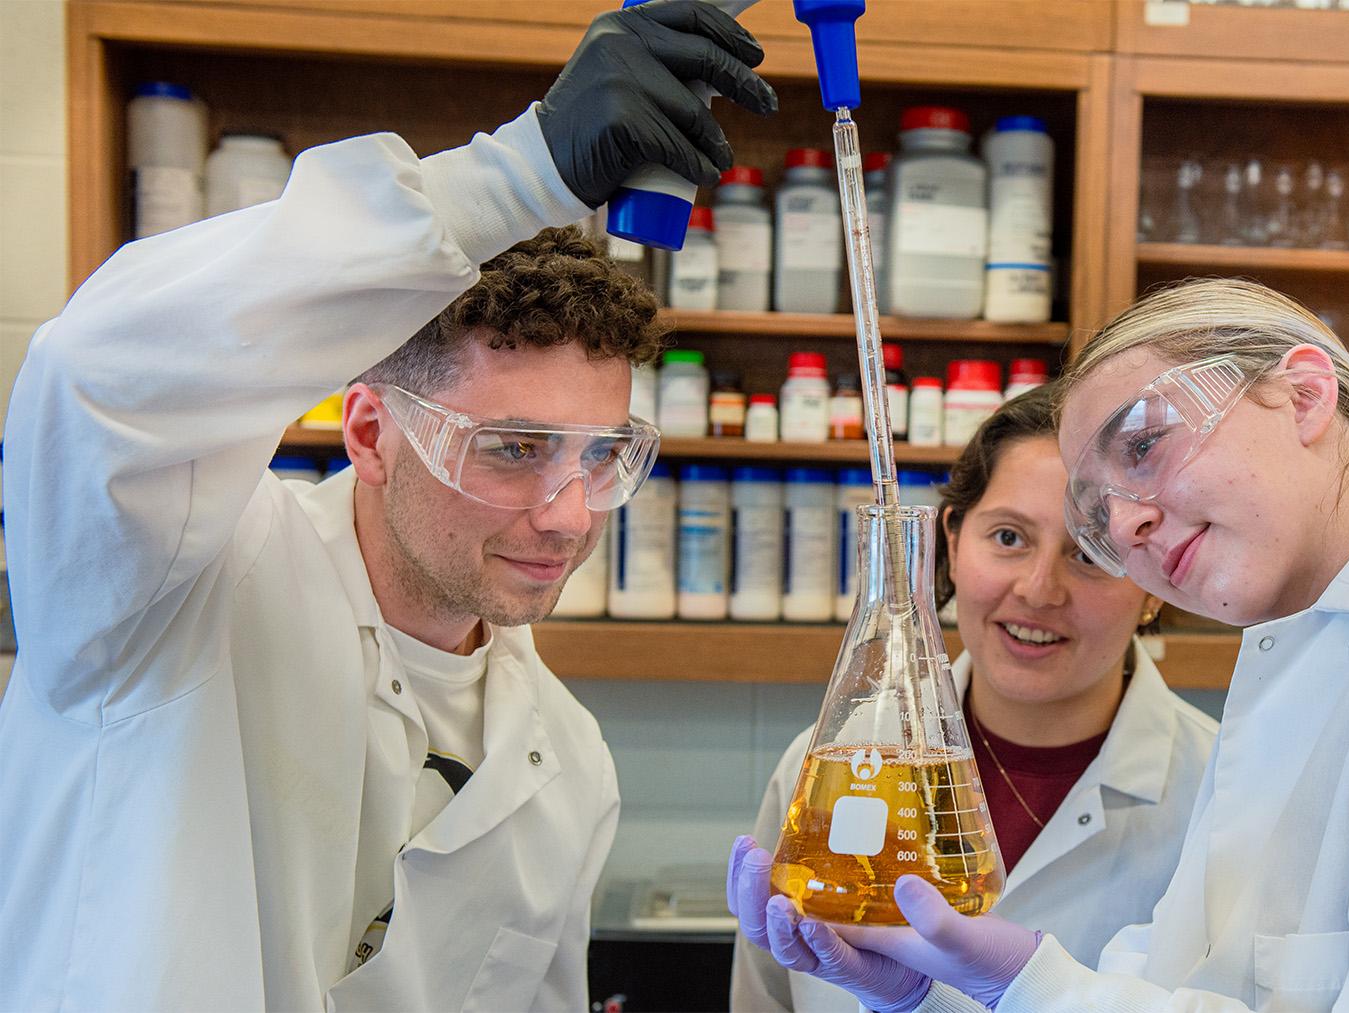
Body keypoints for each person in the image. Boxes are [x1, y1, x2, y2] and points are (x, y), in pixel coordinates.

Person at [0, 3, 778, 1009]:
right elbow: (93, 375)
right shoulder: (166, 589)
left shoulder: (568, 761)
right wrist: (519, 175)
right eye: (512, 448)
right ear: (369, 431)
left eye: (603, 456)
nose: (570, 515)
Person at [731, 278, 1349, 1011]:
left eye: (1143, 444)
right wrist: (948, 992)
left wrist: (1026, 982)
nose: (1124, 525)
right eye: (1099, 513)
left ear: (1304, 393)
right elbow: (1179, 991)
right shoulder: (1300, 663)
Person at [730, 387, 1220, 1011]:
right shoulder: (829, 770)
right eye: (1009, 537)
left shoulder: (1220, 794)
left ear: (1154, 582)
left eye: (1091, 552)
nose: (1040, 591)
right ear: (952, 543)